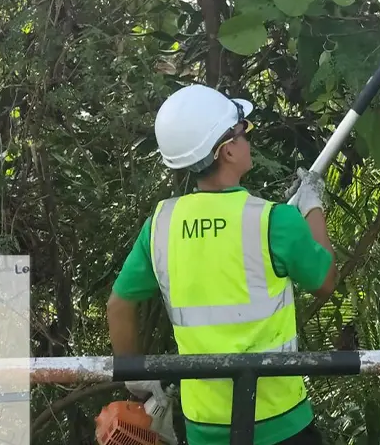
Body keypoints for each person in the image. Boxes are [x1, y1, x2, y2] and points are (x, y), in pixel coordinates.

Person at [107, 84, 336, 445]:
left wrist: (136, 379)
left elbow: (119, 305)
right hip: (280, 423)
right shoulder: (274, 221)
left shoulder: (161, 225)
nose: (248, 139)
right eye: (244, 131)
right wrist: (312, 207)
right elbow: (325, 281)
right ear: (228, 150)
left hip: (203, 428)